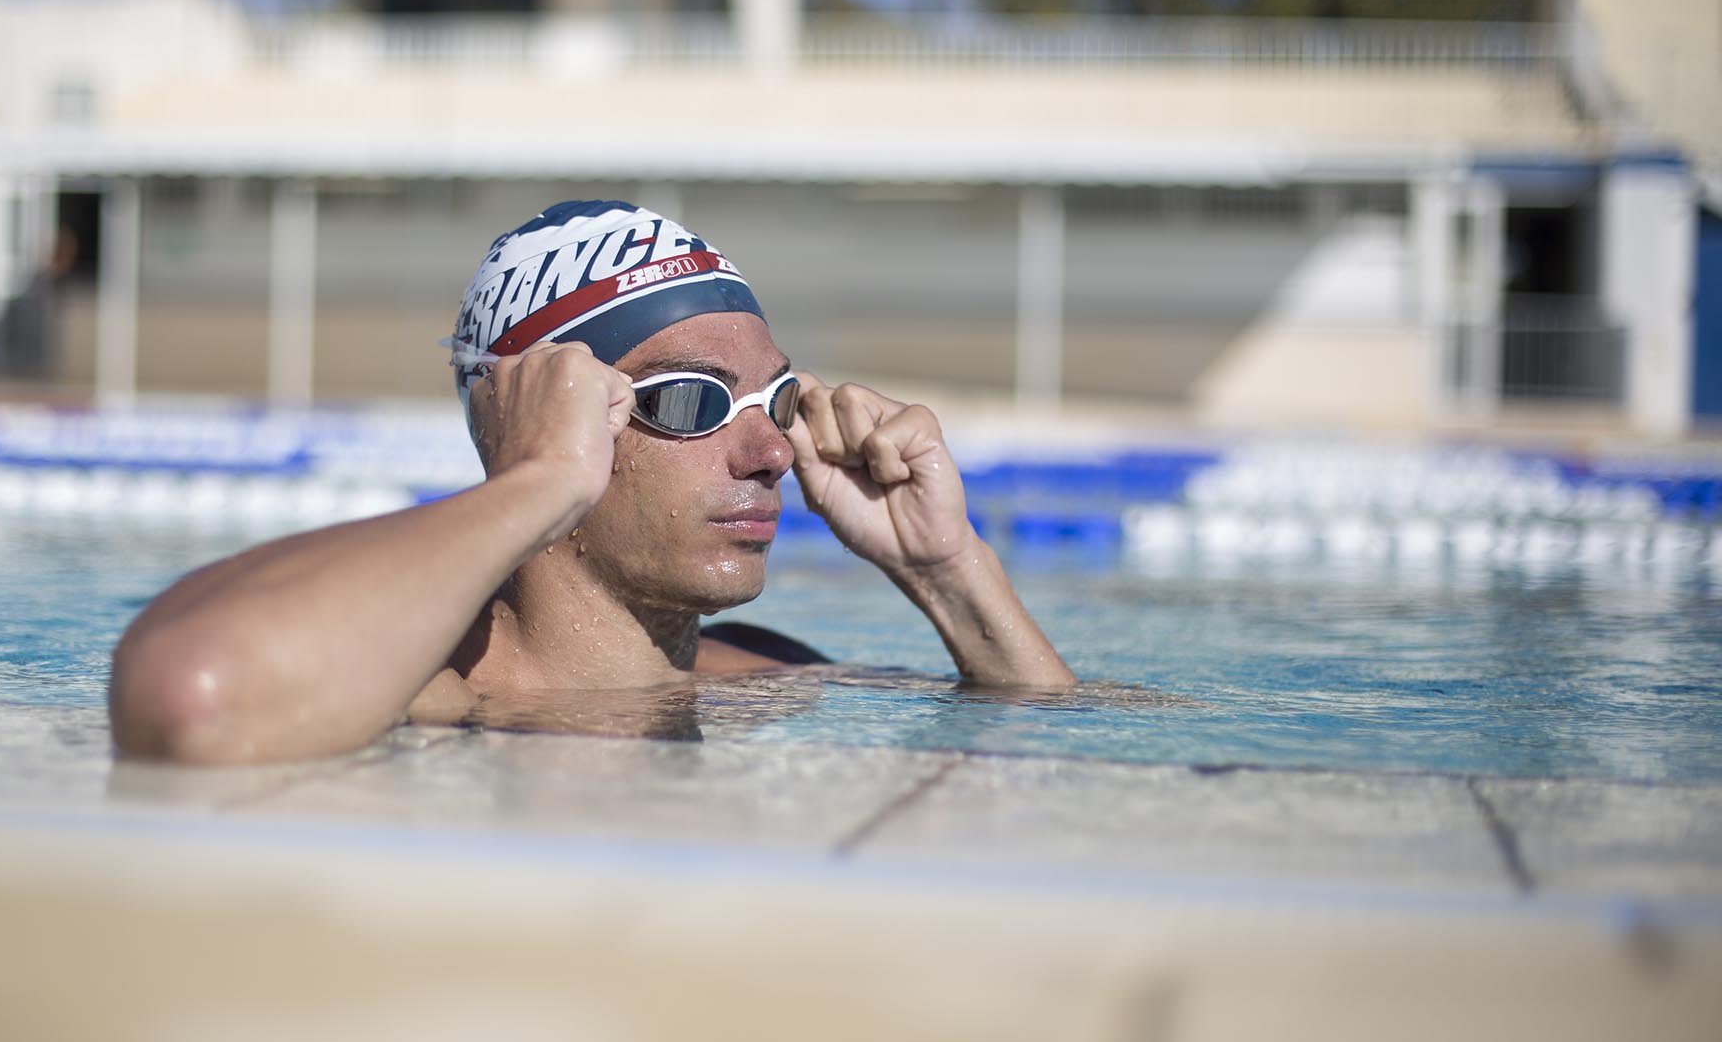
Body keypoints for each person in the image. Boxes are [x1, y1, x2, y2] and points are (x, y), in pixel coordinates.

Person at [110, 201, 1074, 763]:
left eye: (775, 402)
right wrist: (535, 482)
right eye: (693, 399)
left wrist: (950, 572)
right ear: (538, 420)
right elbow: (188, 695)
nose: (773, 455)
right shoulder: (427, 693)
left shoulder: (767, 673)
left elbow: (1066, 758)